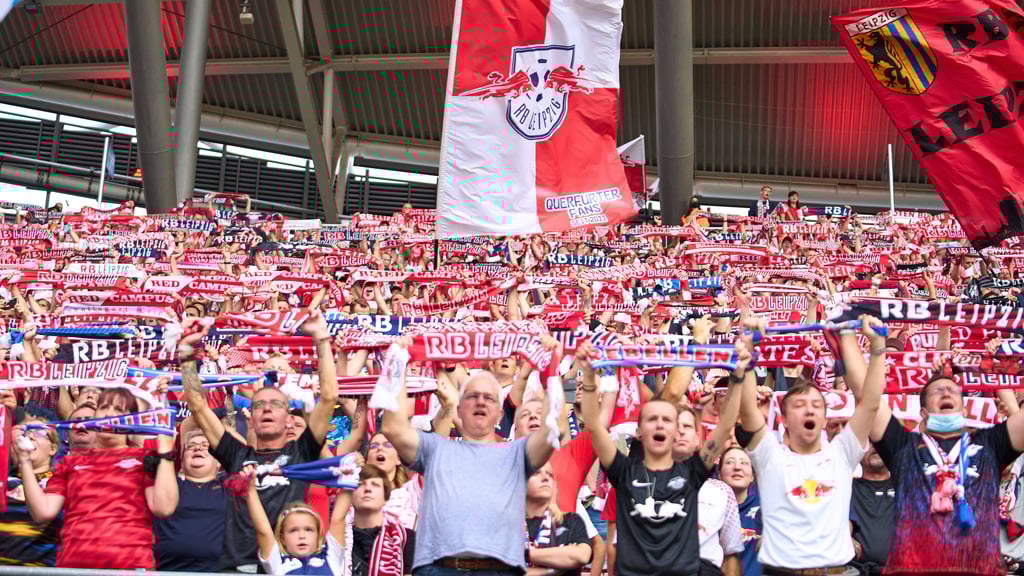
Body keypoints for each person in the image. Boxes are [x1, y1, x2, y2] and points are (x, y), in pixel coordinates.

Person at [379, 336, 560, 576]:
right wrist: (398, 362)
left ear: (499, 415)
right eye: (472, 396)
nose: (480, 401)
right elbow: (393, 428)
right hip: (438, 569)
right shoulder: (435, 448)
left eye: (489, 398)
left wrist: (552, 369)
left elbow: (553, 431)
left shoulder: (516, 452)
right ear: (460, 409)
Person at [842, 344, 1024, 576]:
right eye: (937, 391)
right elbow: (865, 397)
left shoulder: (990, 445)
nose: (946, 393)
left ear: (965, 410)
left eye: (952, 390)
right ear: (924, 414)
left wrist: (996, 363)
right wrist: (859, 340)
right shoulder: (904, 448)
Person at [180, 312, 340, 571]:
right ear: (250, 418)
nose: (266, 409)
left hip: (287, 567)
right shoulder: (235, 454)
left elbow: (330, 396)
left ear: (289, 419)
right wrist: (187, 351)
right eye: (259, 405)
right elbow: (198, 407)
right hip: (237, 566)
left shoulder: (303, 452)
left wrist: (321, 338)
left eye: (275, 404)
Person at [581, 337, 751, 576]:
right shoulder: (625, 473)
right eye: (652, 419)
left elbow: (725, 426)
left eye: (668, 420)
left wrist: (738, 374)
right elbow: (594, 427)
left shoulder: (692, 473)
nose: (661, 424)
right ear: (639, 433)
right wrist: (589, 377)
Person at [739, 317, 886, 576]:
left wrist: (877, 347)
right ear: (783, 419)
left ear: (824, 418)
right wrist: (749, 353)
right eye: (799, 405)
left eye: (817, 405)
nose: (809, 409)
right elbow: (748, 409)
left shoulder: (842, 453)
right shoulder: (770, 455)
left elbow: (871, 403)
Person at [19, 386, 179, 568]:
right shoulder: (70, 462)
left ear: (132, 420)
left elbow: (163, 508)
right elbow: (43, 512)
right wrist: (24, 460)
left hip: (129, 566)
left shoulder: (144, 458)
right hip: (75, 567)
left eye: (119, 409)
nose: (109, 413)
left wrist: (166, 453)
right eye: (104, 407)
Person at [672, 405, 743, 576]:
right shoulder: (643, 485)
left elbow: (730, 553)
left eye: (687, 426)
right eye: (674, 426)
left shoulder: (722, 491)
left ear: (698, 439)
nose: (680, 432)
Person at [245, 463, 346, 575]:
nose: (301, 536)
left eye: (308, 530)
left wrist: (349, 478)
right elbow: (263, 530)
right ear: (282, 538)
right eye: (293, 530)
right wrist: (250, 488)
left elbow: (338, 519)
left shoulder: (331, 555)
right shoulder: (277, 562)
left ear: (318, 535)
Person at [154, 429, 227, 572]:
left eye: (206, 446)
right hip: (167, 571)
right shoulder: (167, 484)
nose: (198, 448)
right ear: (180, 460)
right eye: (191, 446)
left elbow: (241, 455)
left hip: (218, 572)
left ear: (219, 462)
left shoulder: (230, 487)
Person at [0, 417, 61, 566]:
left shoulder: (58, 484)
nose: (30, 435)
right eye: (24, 432)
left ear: (53, 449)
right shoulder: (4, 483)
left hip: (42, 570)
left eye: (38, 432)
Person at [335, 464, 416, 576]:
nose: (368, 489)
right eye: (360, 485)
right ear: (350, 495)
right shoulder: (337, 539)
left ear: (386, 497)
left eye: (375, 485)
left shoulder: (407, 538)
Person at [524, 462, 592, 576]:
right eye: (536, 473)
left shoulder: (571, 521)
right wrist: (554, 569)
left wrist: (525, 555)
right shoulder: (508, 524)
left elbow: (581, 556)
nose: (545, 478)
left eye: (550, 474)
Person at [849, 445, 894, 576]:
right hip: (856, 571)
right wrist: (843, 538)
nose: (875, 447)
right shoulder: (846, 486)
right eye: (869, 443)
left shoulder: (905, 486)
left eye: (880, 443)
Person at [719, 447, 761, 576]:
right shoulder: (708, 509)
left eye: (744, 463)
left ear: (752, 476)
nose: (737, 467)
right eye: (730, 462)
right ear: (719, 474)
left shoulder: (766, 507)